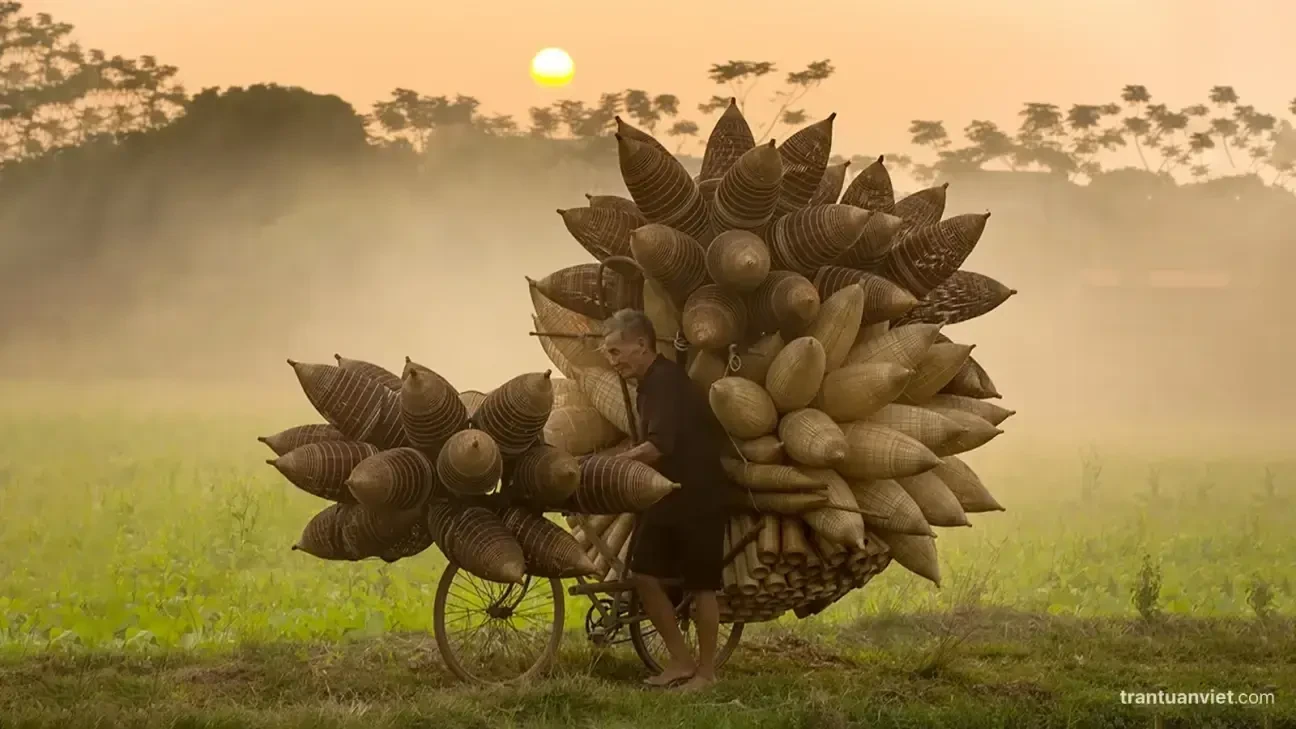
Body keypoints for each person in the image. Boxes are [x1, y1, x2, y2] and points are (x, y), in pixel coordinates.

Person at [600, 308, 731, 691]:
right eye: (608, 354)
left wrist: (611, 466)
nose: (612, 362)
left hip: (698, 494)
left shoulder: (665, 383)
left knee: (702, 586)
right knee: (643, 574)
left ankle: (706, 673)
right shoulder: (648, 384)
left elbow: (659, 446)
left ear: (641, 345)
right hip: (667, 495)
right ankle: (679, 660)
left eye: (615, 351)